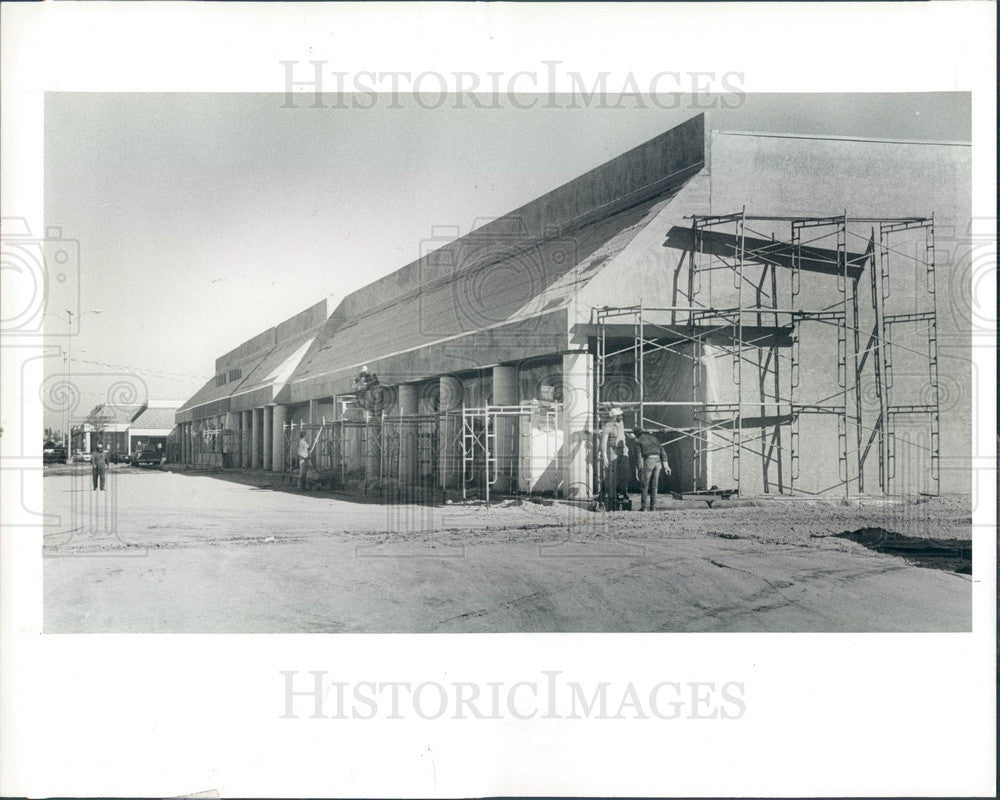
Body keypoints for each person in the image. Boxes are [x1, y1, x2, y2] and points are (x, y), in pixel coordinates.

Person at [634, 428, 672, 511]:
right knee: (654, 486)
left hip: (648, 461)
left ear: (636, 434)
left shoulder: (638, 440)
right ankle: (653, 507)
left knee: (645, 485)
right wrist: (666, 466)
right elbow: (663, 452)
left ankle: (643, 507)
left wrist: (638, 467)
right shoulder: (655, 439)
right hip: (658, 461)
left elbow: (638, 456)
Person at [599, 407, 627, 510]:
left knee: (622, 474)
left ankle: (621, 494)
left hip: (622, 450)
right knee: (612, 475)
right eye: (619, 415)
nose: (621, 417)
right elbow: (604, 442)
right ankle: (611, 496)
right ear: (614, 417)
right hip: (612, 451)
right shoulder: (608, 426)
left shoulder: (621, 424)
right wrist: (605, 457)